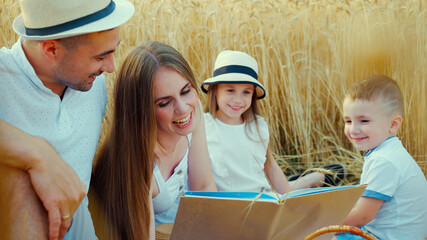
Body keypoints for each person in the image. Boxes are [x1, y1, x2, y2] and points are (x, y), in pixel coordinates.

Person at [0, 0, 135, 239]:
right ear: (51, 50)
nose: (111, 67)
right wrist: (37, 154)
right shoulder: (4, 79)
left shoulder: (94, 84)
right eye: (100, 56)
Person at [91, 41, 217, 239]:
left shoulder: (193, 112)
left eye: (186, 91)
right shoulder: (137, 162)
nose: (183, 108)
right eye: (165, 103)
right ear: (142, 111)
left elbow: (204, 187)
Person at [201, 50, 346, 194]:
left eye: (246, 92)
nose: (238, 100)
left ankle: (315, 178)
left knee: (284, 196)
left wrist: (287, 199)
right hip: (225, 203)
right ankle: (304, 181)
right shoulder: (203, 126)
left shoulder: (256, 126)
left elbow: (270, 166)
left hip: (259, 199)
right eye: (230, 90)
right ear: (215, 90)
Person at [338, 75, 427, 239]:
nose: (353, 130)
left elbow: (363, 216)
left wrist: (324, 225)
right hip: (397, 235)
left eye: (364, 121)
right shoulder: (390, 151)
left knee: (321, 235)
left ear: (393, 125)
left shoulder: (384, 161)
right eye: (348, 121)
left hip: (386, 237)